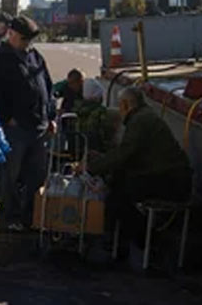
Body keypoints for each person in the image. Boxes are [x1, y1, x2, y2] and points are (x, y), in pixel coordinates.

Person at [86, 87, 192, 245]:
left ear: (125, 105)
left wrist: (91, 167)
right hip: (170, 177)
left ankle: (146, 241)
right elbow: (127, 155)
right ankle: (122, 242)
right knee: (119, 185)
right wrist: (102, 160)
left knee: (118, 198)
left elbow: (124, 154)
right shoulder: (144, 117)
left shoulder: (140, 121)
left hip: (171, 181)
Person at [0, 15, 56, 232]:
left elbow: (47, 87)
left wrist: (50, 116)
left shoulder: (34, 56)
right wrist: (6, 119)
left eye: (29, 40)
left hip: (39, 125)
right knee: (11, 175)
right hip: (15, 128)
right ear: (12, 34)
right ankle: (11, 215)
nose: (27, 44)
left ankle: (31, 215)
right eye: (24, 40)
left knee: (37, 173)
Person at [73, 78, 118, 154]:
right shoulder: (101, 111)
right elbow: (106, 131)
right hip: (99, 150)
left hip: (80, 150)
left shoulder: (76, 110)